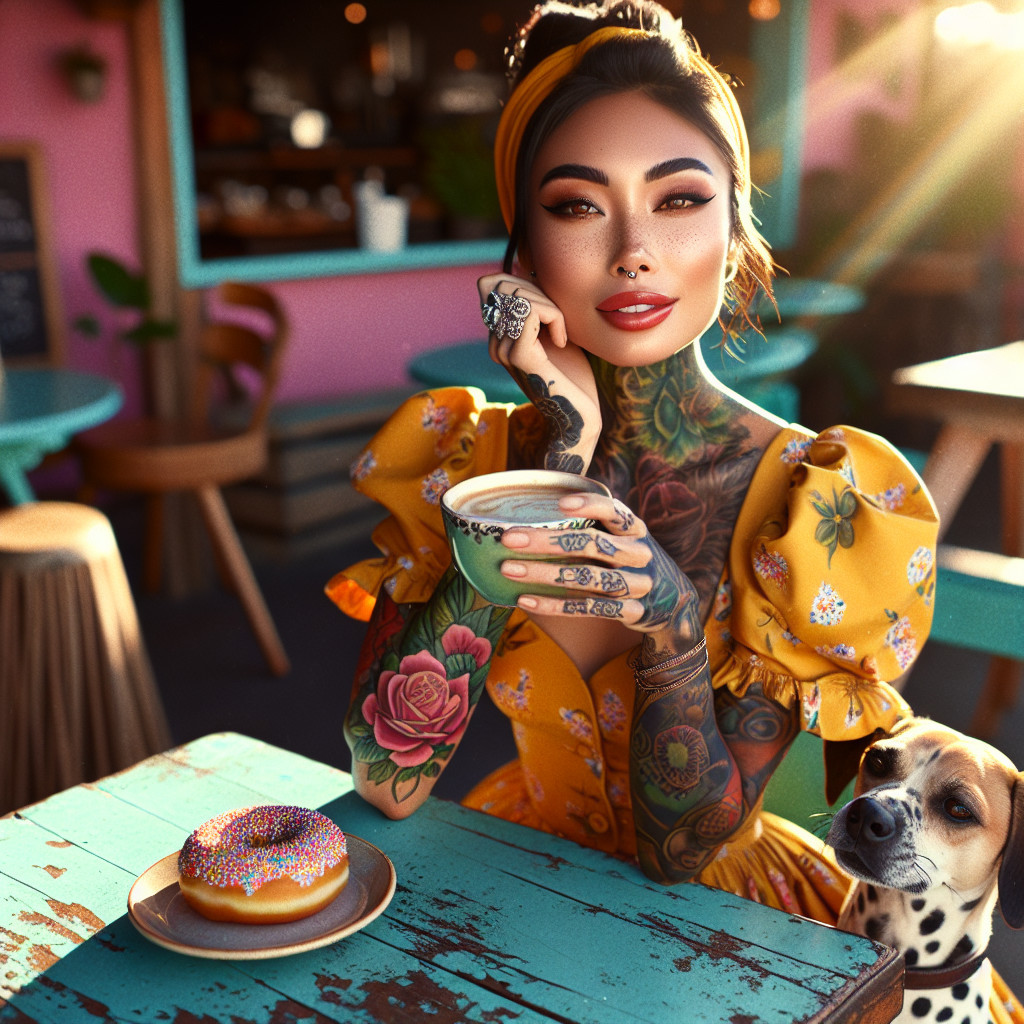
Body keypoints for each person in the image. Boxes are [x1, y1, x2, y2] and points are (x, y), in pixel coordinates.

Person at [327, 4, 1015, 1018]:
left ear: (734, 234)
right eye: (576, 205)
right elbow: (385, 780)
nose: (634, 250)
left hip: (725, 927)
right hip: (512, 878)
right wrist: (552, 461)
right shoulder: (469, 462)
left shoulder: (813, 500)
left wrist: (673, 628)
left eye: (681, 198)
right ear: (523, 253)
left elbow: (677, 855)